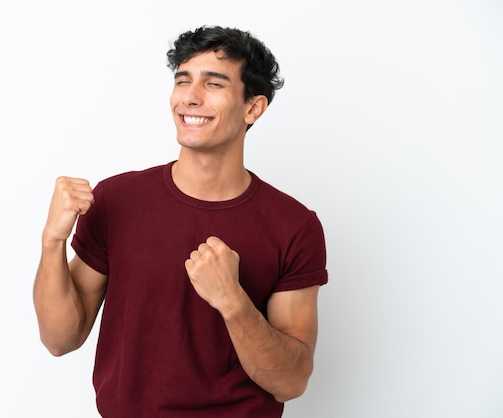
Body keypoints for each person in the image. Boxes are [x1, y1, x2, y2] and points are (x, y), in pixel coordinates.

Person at [33, 25, 328, 417]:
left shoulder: (294, 226)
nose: (190, 97)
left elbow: (290, 381)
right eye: (182, 80)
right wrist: (52, 241)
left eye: (214, 84)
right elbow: (60, 338)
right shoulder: (117, 200)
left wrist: (233, 302)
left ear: (253, 108)